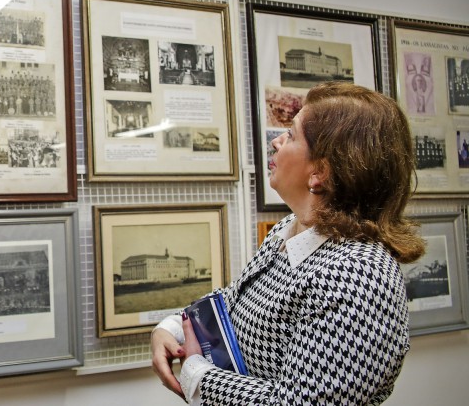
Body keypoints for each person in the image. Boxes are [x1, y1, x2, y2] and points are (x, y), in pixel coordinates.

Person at [151, 81, 425, 405]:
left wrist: (195, 373)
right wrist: (174, 327)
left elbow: (298, 403)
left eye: (291, 135)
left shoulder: (360, 274)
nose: (276, 142)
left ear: (319, 172)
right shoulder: (290, 230)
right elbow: (237, 297)